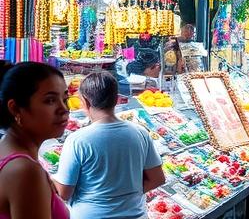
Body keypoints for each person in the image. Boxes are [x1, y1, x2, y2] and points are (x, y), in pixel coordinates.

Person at [53, 71, 165, 219]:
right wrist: (124, 196)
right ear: (116, 100)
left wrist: (46, 177)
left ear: (85, 102)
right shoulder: (140, 133)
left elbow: (64, 193)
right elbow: (157, 179)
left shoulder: (77, 140)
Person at [0, 61, 70, 219]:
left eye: (65, 99)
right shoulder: (25, 171)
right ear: (16, 108)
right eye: (50, 100)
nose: (64, 109)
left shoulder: (7, 148)